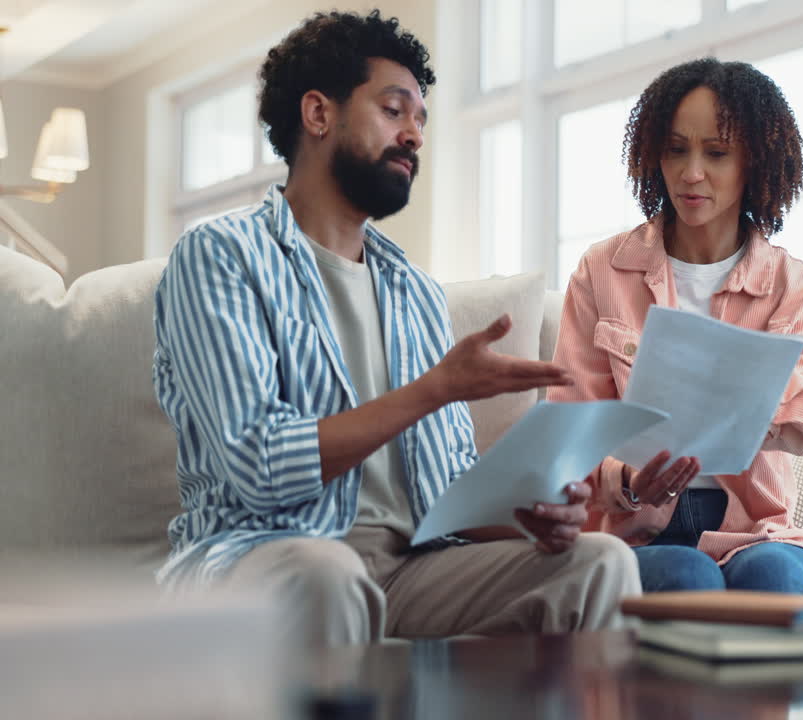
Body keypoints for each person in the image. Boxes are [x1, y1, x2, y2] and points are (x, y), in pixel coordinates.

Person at [152, 10, 640, 647]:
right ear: (318, 114)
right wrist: (434, 389)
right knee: (326, 575)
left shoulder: (413, 290)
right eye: (393, 110)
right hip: (262, 556)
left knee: (601, 564)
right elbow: (259, 465)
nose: (413, 134)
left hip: (410, 569)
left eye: (421, 119)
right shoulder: (221, 255)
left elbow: (445, 493)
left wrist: (527, 518)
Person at [548, 58, 803, 595]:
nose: (691, 173)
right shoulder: (602, 270)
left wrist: (741, 392)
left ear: (753, 163)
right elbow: (571, 427)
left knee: (775, 576)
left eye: (716, 153)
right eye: (675, 149)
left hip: (757, 531)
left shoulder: (798, 287)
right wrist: (626, 479)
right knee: (686, 575)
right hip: (637, 529)